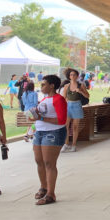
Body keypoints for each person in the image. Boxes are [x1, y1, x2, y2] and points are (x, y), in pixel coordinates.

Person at [22, 74, 67, 205]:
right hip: (40, 132)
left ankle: (51, 194)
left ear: (52, 86)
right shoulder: (44, 99)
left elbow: (61, 120)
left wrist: (41, 118)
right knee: (39, 161)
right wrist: (34, 118)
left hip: (53, 132)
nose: (40, 87)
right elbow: (40, 116)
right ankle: (43, 187)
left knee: (49, 163)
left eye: (43, 84)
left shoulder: (59, 99)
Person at [61, 68, 89, 152]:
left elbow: (87, 96)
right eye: (71, 75)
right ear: (69, 76)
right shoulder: (66, 86)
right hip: (68, 106)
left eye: (74, 75)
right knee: (65, 126)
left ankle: (73, 145)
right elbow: (64, 97)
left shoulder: (81, 85)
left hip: (77, 105)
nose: (72, 76)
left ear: (77, 76)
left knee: (75, 127)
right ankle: (66, 144)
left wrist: (80, 91)